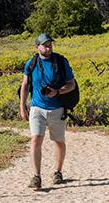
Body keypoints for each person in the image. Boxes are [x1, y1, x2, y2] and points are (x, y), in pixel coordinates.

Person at [19, 33, 76, 189]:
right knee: (35, 139)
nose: (48, 47)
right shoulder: (31, 63)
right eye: (45, 45)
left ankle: (57, 172)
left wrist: (57, 92)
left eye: (50, 44)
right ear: (37, 47)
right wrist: (22, 106)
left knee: (58, 141)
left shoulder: (61, 61)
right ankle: (36, 176)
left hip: (57, 108)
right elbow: (25, 85)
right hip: (37, 107)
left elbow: (71, 84)